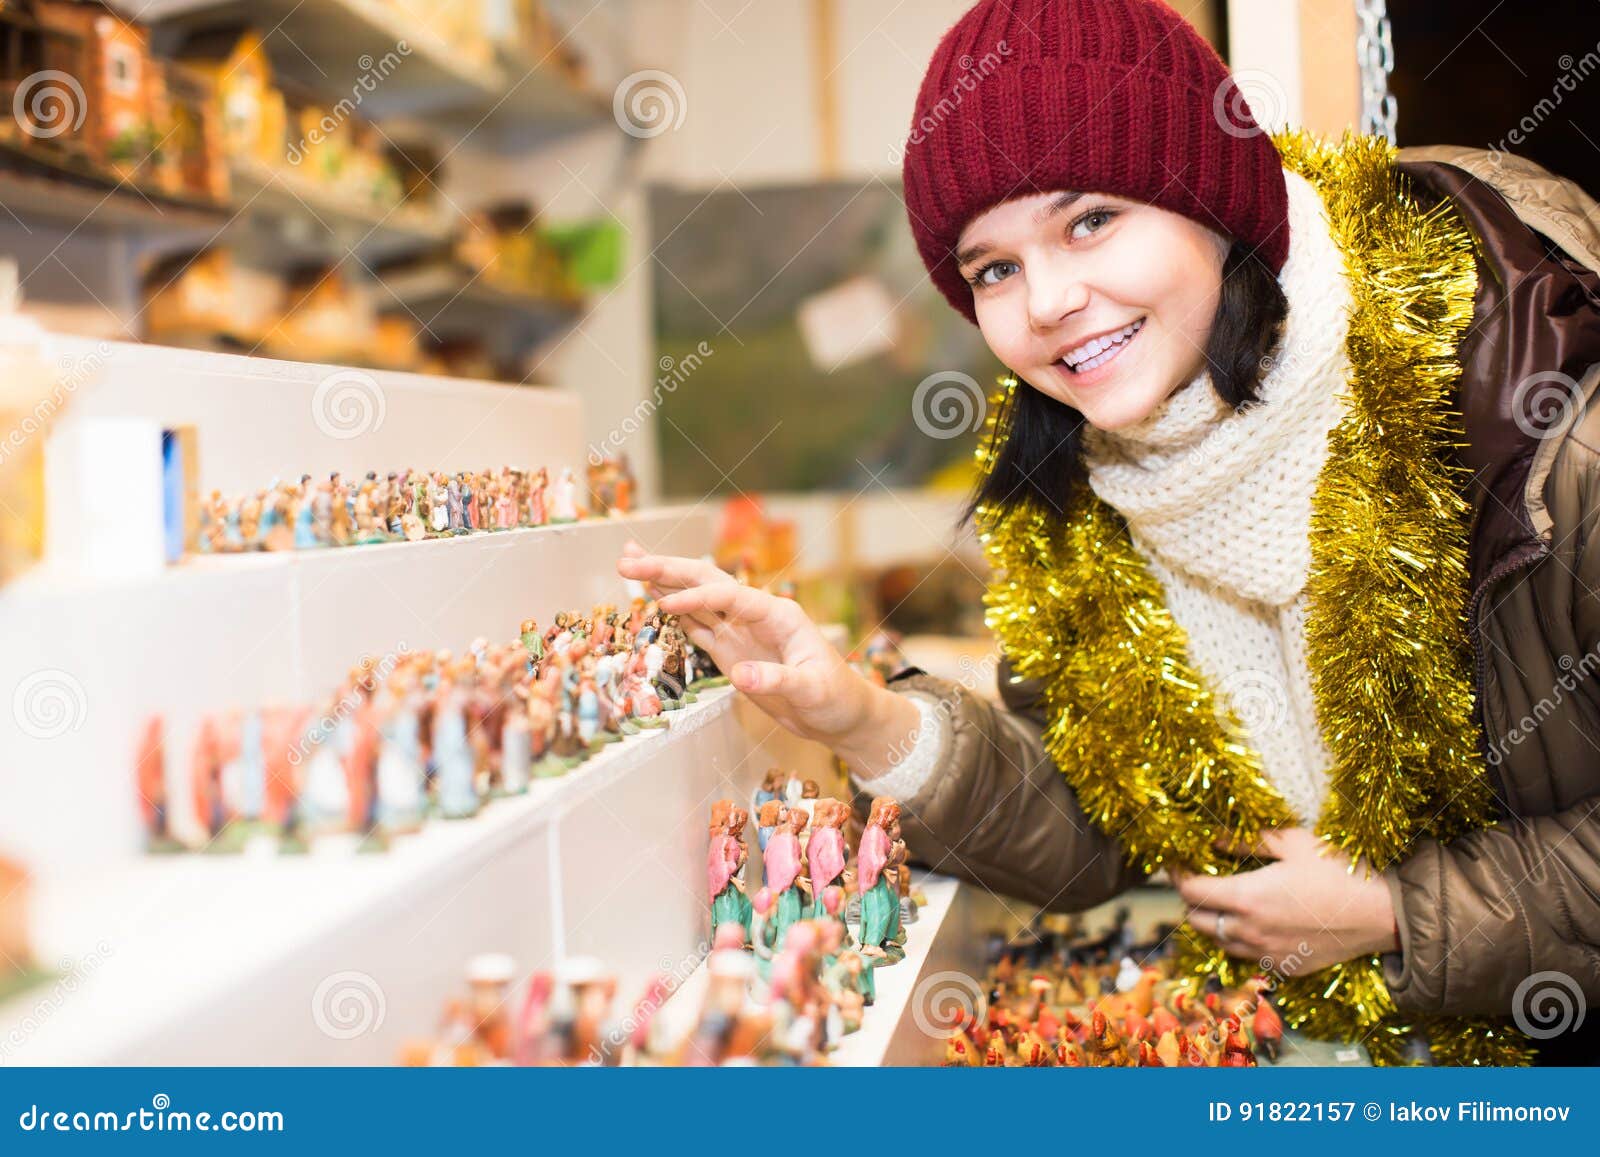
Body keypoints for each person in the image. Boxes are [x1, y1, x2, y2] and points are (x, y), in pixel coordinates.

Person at [619, 0, 1600, 1064]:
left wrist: (1405, 911)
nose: (1046, 301)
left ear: (1218, 204)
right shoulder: (1085, 491)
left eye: (1089, 220)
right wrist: (859, 718)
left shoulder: (1545, 437)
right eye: (991, 267)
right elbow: (1109, 828)